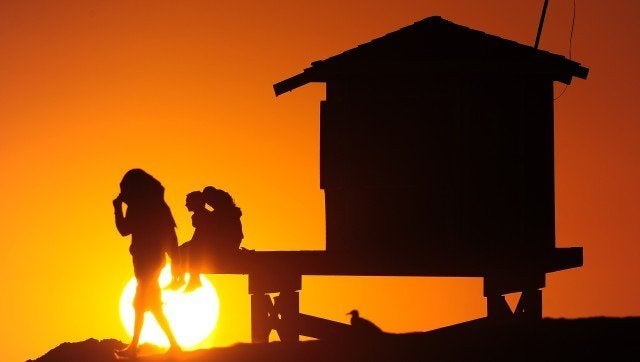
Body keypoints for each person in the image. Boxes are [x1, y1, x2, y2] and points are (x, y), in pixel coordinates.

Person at [113, 169, 181, 357]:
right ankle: (170, 344)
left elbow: (124, 230)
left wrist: (117, 207)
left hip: (148, 261)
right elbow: (171, 235)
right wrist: (176, 261)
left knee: (140, 302)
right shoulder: (158, 205)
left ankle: (134, 347)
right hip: (152, 260)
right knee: (151, 305)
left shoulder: (140, 207)